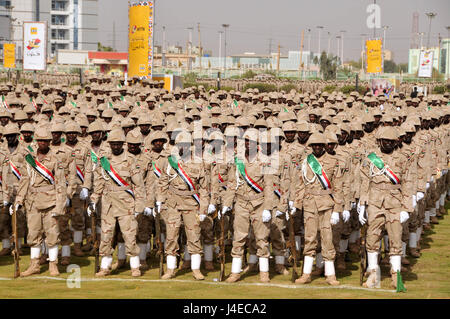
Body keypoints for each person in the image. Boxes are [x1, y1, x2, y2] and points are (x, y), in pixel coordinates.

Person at [359, 127, 415, 289]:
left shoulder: (402, 158)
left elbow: (407, 183)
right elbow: (364, 182)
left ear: (396, 142)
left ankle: (396, 275)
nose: (388, 144)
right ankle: (373, 274)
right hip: (375, 202)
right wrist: (362, 205)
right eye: (385, 141)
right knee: (372, 237)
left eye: (392, 141)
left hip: (395, 203)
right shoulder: (370, 158)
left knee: (395, 238)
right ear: (379, 141)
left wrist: (407, 208)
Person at [88, 128, 146, 277]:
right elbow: (99, 183)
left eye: (118, 144)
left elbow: (138, 185)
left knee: (130, 236)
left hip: (126, 204)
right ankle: (105, 267)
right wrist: (93, 201)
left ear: (123, 144)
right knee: (106, 237)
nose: (115, 146)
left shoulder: (131, 160)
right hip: (108, 204)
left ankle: (135, 267)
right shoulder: (104, 160)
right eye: (113, 144)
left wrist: (139, 206)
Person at [14, 126, 67, 277]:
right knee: (34, 234)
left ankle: (53, 264)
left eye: (45, 141)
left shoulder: (56, 159)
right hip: (33, 202)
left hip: (50, 202)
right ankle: (34, 264)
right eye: (40, 140)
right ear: (36, 141)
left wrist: (60, 205)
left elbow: (61, 184)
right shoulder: (30, 159)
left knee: (52, 235)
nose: (42, 143)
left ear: (50, 141)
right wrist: (19, 199)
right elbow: (24, 180)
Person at [292, 133, 343, 286]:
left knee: (327, 239)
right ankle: (306, 273)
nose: (318, 147)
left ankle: (330, 274)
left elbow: (338, 187)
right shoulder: (306, 162)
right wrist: (296, 205)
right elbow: (300, 185)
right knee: (309, 238)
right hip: (309, 204)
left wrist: (337, 210)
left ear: (325, 146)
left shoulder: (334, 161)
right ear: (311, 146)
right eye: (315, 145)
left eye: (320, 145)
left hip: (327, 204)